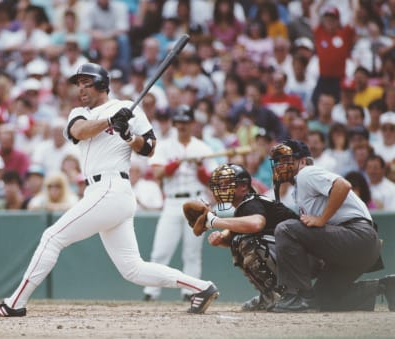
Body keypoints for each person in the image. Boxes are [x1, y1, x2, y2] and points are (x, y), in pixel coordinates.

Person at [0, 62, 219, 317]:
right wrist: (109, 120)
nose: (81, 89)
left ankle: (15, 303)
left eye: (87, 83)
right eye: (79, 84)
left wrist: (128, 135)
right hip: (100, 192)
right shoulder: (79, 112)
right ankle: (201, 287)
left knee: (52, 238)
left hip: (112, 187)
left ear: (103, 85)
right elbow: (79, 131)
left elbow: (149, 147)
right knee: (133, 269)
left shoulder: (128, 107)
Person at [268, 139, 393, 312]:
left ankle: (297, 296)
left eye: (286, 160)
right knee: (322, 301)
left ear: (302, 161)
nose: (281, 165)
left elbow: (343, 185)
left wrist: (321, 219)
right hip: (359, 246)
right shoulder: (298, 190)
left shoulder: (306, 173)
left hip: (357, 235)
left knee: (285, 229)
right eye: (279, 161)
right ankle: (384, 286)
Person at [142, 104, 217, 301]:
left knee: (192, 252)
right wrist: (179, 161)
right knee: (161, 250)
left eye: (185, 122)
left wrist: (200, 166)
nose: (182, 126)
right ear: (174, 124)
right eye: (179, 122)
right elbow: (157, 172)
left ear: (192, 123)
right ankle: (151, 292)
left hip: (196, 201)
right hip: (173, 202)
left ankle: (191, 292)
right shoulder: (165, 146)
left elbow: (211, 181)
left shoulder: (202, 148)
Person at [204, 163, 300, 311]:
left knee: (248, 242)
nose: (222, 188)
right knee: (238, 242)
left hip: (305, 255)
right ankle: (269, 295)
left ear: (243, 187)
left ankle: (284, 295)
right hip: (292, 255)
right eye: (221, 185)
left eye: (228, 184)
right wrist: (221, 239)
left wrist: (216, 222)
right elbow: (232, 238)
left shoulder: (251, 202)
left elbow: (256, 224)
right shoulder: (245, 207)